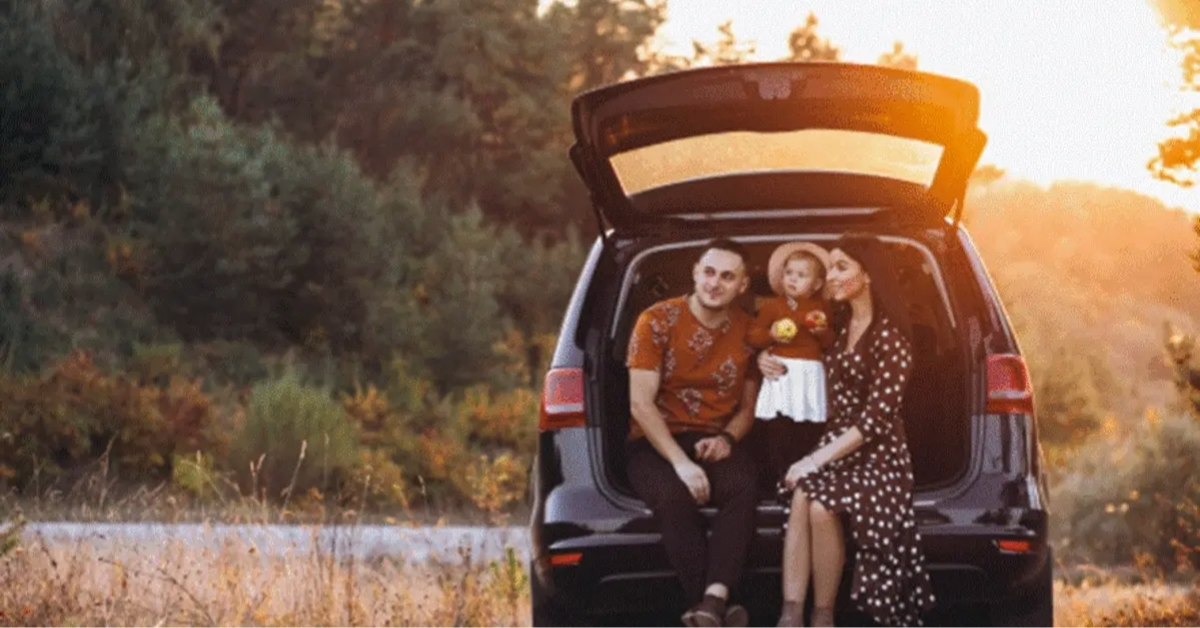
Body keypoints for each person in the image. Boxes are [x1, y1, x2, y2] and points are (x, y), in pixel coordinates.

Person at [758, 233, 936, 628]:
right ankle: (791, 616)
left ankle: (822, 618)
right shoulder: (835, 324)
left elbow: (874, 422)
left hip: (879, 456)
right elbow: (794, 347)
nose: (832, 276)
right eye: (831, 267)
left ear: (868, 275)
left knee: (819, 504)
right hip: (836, 447)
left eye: (842, 267)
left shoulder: (893, 337)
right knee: (805, 493)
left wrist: (812, 459)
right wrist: (765, 357)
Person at [625, 237, 761, 628]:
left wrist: (728, 440)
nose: (715, 283)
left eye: (727, 276)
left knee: (744, 485)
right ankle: (714, 608)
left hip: (713, 438)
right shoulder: (656, 320)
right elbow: (640, 405)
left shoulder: (750, 333)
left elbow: (748, 409)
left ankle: (711, 604)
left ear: (742, 286)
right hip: (654, 442)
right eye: (709, 272)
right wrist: (682, 464)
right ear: (696, 273)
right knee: (673, 495)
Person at [747, 242, 835, 485]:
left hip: (810, 373)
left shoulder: (821, 308)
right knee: (779, 425)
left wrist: (821, 331)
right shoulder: (773, 306)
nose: (793, 279)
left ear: (816, 284)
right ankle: (779, 473)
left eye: (801, 275)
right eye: (789, 273)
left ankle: (806, 473)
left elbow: (830, 343)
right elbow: (754, 336)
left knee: (808, 425)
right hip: (783, 372)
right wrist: (772, 335)